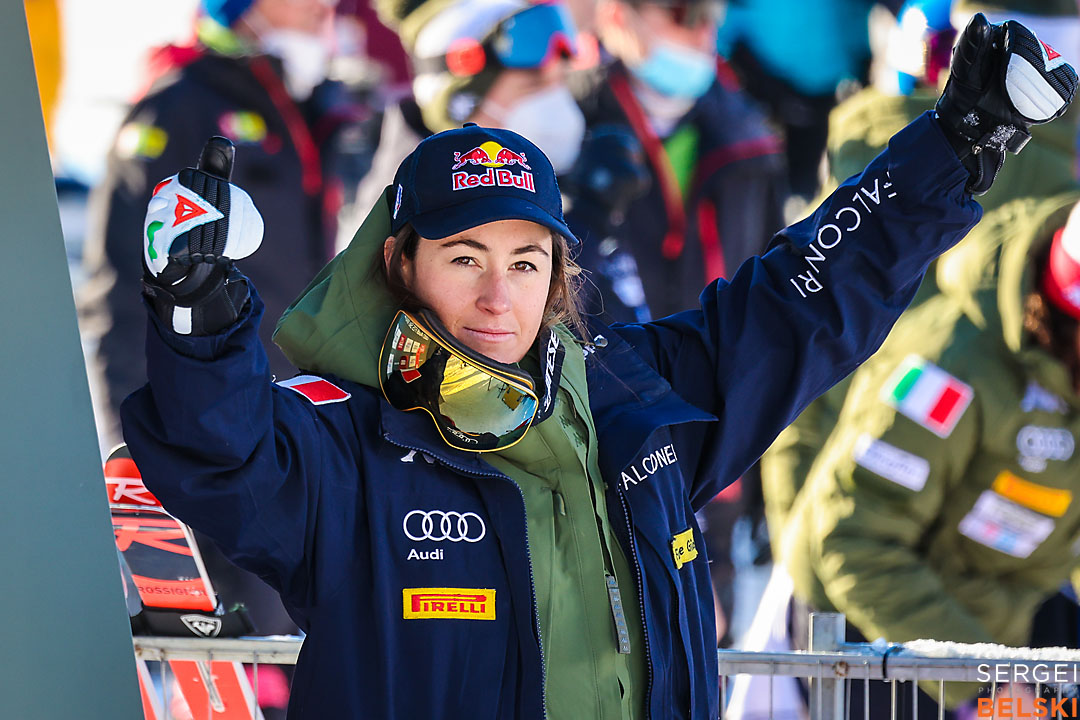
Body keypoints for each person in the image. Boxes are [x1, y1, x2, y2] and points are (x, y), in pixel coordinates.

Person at [119, 15, 1074, 718]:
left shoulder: (635, 400)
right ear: (400, 265)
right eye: (464, 259)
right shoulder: (346, 437)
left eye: (527, 263)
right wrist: (199, 313)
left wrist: (953, 151)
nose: (501, 297)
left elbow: (804, 300)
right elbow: (225, 454)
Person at [78, 0, 351, 453]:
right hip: (199, 415)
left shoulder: (308, 105)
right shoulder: (179, 104)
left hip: (289, 411)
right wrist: (127, 449)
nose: (323, 5)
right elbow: (122, 283)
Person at [573, 0, 786, 321]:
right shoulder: (570, 131)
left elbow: (773, 281)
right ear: (618, 16)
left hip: (715, 365)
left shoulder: (751, 138)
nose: (705, 31)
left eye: (714, 13)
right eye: (686, 13)